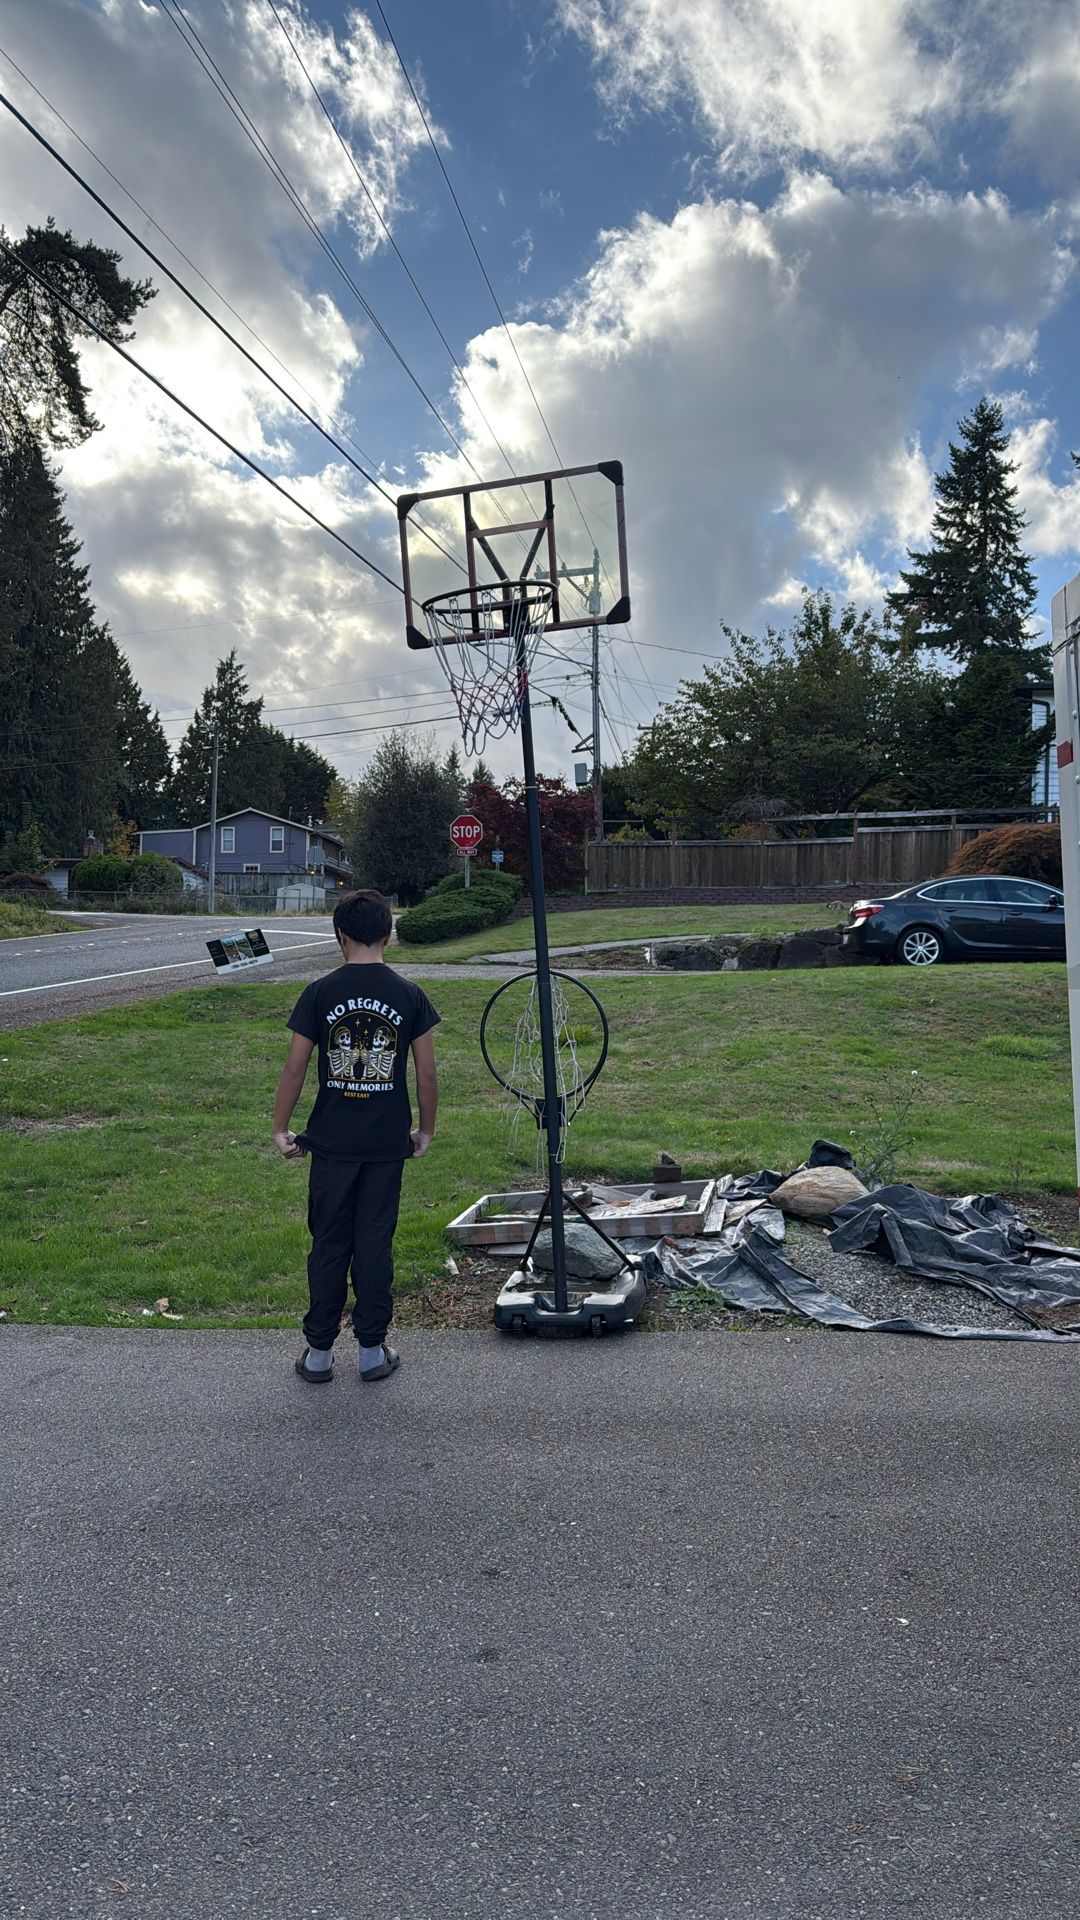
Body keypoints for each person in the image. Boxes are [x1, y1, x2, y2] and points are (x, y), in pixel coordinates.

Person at [272, 889, 439, 1386]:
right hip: (388, 1145)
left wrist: (281, 1127)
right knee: (374, 1243)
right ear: (389, 933)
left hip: (331, 1144)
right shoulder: (410, 995)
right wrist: (425, 1130)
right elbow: (426, 1073)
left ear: (338, 936)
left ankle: (319, 1353)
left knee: (328, 1243)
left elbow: (295, 1067)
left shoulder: (319, 992)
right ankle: (371, 1351)